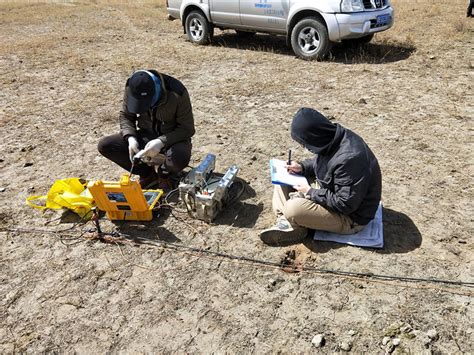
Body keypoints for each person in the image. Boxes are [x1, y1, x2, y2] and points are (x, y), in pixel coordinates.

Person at [259, 107, 382, 246]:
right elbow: (323, 162)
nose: (305, 147)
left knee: (293, 209)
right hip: (330, 190)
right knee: (283, 177)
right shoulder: (332, 137)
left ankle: (292, 220)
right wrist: (302, 167)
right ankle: (286, 222)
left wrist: (310, 192)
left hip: (350, 218)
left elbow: (344, 205)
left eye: (304, 143)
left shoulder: (350, 159)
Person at [98, 70, 195, 189]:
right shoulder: (132, 86)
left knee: (179, 156)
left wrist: (161, 141)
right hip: (145, 135)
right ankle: (147, 174)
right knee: (106, 145)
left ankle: (164, 175)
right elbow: (126, 116)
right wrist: (130, 138)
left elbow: (187, 129)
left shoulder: (177, 92)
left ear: (157, 90)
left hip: (173, 139)